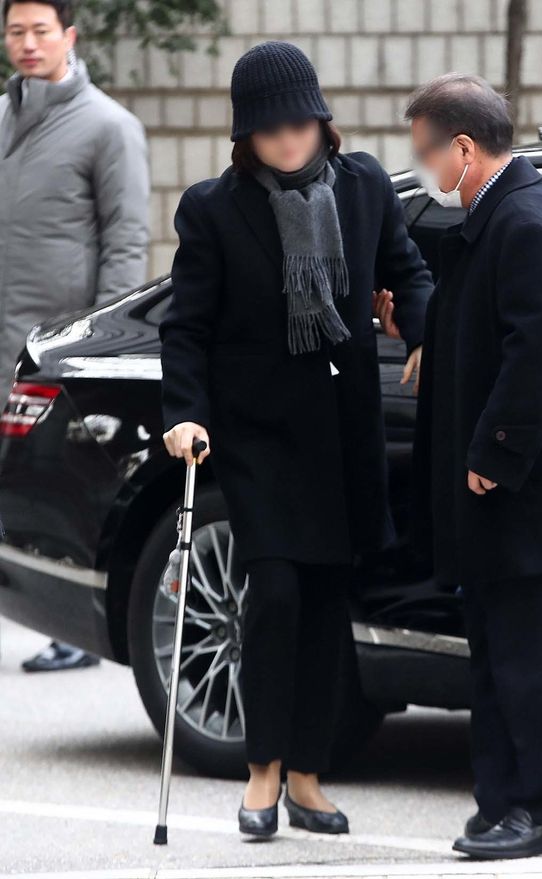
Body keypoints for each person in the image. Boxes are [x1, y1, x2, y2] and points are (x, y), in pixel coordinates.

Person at [159, 40, 433, 838]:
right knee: (276, 594)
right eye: (270, 129)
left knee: (324, 602)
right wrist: (185, 411)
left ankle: (308, 775)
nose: (287, 140)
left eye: (300, 124)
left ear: (321, 120)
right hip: (259, 436)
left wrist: (423, 330)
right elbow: (187, 326)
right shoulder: (213, 209)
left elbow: (408, 271)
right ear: (246, 134)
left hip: (341, 433)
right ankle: (262, 770)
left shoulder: (364, 186)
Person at [395, 73, 542, 859]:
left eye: (427, 154)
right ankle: (503, 801)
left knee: (538, 661)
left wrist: (494, 454)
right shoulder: (502, 214)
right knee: (501, 655)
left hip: (534, 492)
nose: (426, 172)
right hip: (514, 493)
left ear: (464, 149)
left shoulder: (524, 221)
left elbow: (539, 352)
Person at [0, 0, 150, 671]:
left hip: (57, 347)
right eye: (16, 31)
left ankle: (74, 632)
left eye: (41, 31)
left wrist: (99, 344)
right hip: (3, 333)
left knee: (61, 489)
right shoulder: (2, 118)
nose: (28, 43)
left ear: (69, 37)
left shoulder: (109, 127)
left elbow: (126, 242)